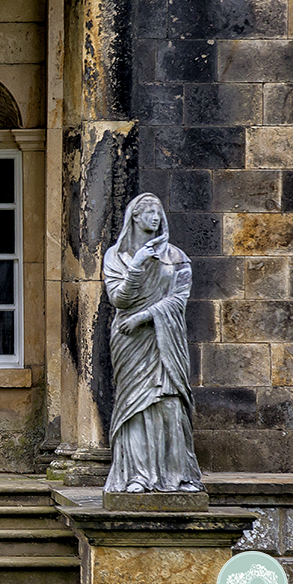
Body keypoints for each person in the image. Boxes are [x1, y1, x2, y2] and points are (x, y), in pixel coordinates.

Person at [102, 193, 203, 494]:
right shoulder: (116, 257)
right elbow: (119, 298)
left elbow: (178, 300)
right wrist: (137, 265)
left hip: (164, 339)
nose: (154, 217)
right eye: (147, 211)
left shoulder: (177, 257)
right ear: (134, 216)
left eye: (158, 211)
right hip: (130, 341)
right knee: (136, 406)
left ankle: (178, 475)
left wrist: (144, 317)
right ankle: (138, 476)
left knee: (169, 404)